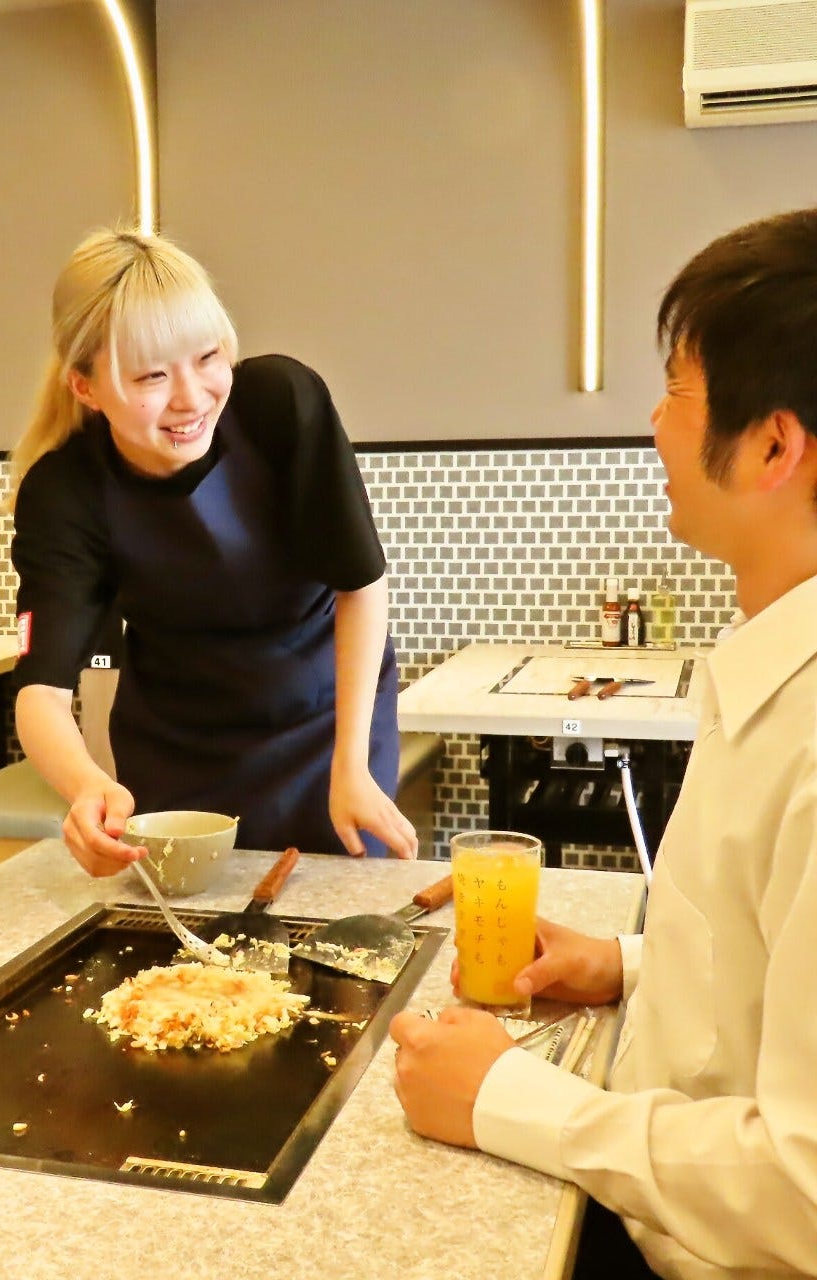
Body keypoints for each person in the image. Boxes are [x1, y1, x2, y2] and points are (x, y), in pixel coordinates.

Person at [390, 207, 817, 1279]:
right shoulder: (771, 659)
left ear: (772, 444)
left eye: (675, 391)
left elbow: (803, 1187)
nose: (654, 424)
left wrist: (507, 1096)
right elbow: (767, 956)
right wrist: (628, 962)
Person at [7, 228, 417, 877]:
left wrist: (353, 765)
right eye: (152, 375)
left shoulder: (280, 403)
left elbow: (360, 586)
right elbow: (41, 691)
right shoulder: (65, 492)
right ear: (85, 387)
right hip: (177, 750)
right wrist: (87, 786)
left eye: (207, 358)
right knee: (188, 930)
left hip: (328, 729)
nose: (192, 398)